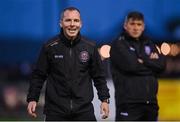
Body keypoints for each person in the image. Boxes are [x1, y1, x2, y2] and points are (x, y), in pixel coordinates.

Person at [27, 7, 110, 121]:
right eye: (68, 20)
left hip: (84, 111)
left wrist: (104, 100)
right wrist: (32, 98)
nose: (72, 24)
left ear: (81, 24)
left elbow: (99, 76)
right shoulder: (49, 47)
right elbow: (39, 75)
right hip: (55, 112)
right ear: (61, 23)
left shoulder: (90, 47)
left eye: (76, 21)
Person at [110, 11, 166, 121]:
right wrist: (150, 62)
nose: (136, 28)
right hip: (129, 105)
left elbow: (162, 66)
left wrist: (143, 61)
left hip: (151, 104)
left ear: (143, 27)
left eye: (139, 24)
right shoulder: (118, 44)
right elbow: (131, 66)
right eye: (132, 24)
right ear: (125, 25)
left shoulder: (149, 43)